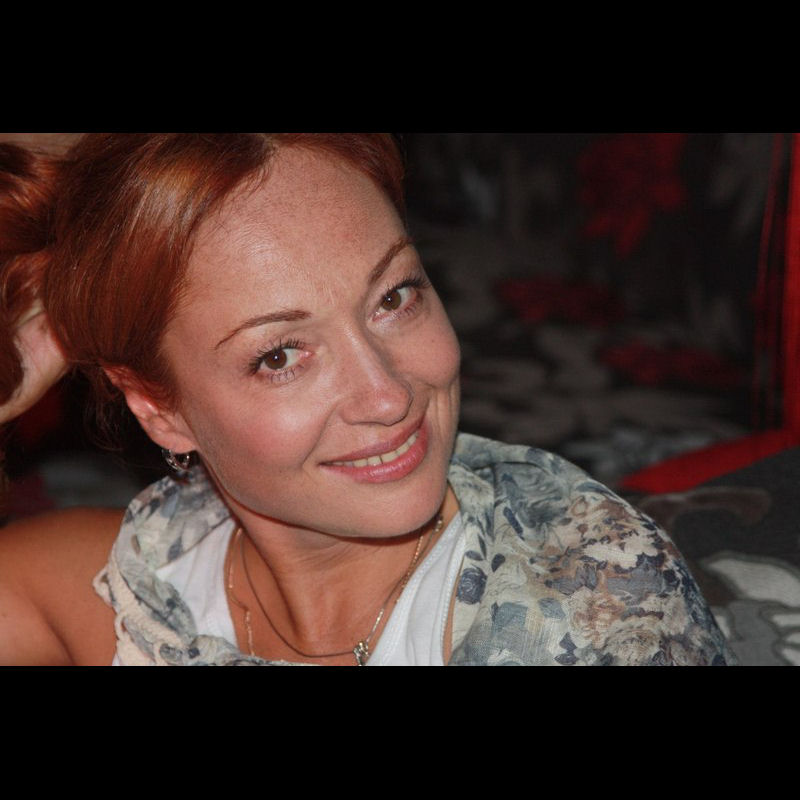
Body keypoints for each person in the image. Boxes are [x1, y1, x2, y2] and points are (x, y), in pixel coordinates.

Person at [0, 134, 734, 666]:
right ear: (160, 410)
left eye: (394, 297)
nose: (388, 395)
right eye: (280, 356)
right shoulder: (151, 586)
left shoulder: (593, 615)